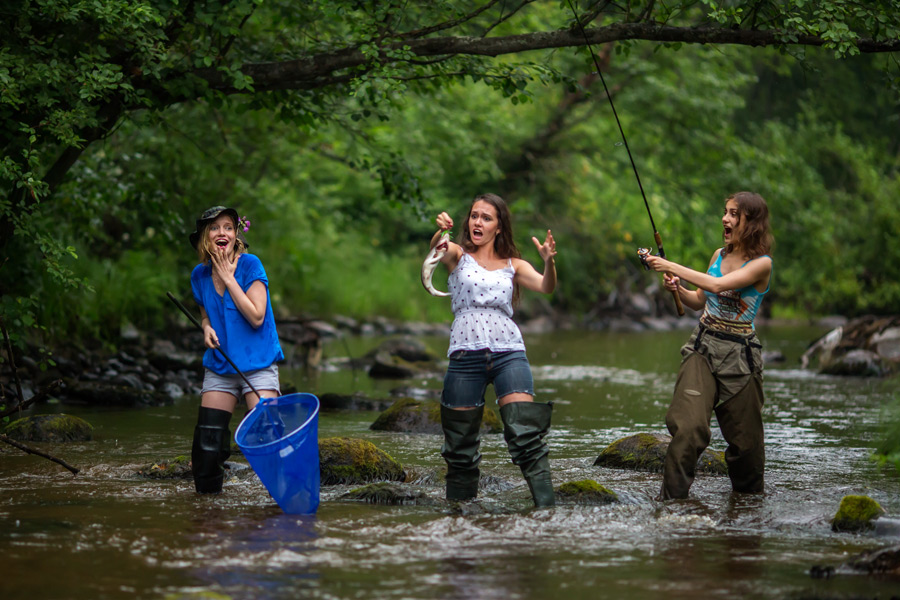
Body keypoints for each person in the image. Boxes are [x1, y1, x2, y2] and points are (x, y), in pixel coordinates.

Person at [430, 193, 558, 507]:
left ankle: (547, 511)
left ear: (498, 227)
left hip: (509, 352)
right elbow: (438, 248)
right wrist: (441, 231)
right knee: (459, 447)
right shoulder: (458, 254)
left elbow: (546, 287)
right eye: (474, 216)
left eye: (486, 218)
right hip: (464, 353)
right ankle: (460, 517)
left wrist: (549, 262)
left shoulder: (514, 264)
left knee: (524, 432)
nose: (478, 222)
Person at [644, 191, 773, 500]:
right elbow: (699, 301)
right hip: (702, 348)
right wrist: (679, 288)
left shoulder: (761, 264)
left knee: (747, 449)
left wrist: (667, 265)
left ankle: (747, 512)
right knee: (687, 429)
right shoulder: (718, 255)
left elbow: (715, 285)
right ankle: (672, 503)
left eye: (733, 214)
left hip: (740, 357)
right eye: (725, 212)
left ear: (751, 222)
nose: (725, 219)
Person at [188, 206, 284, 494]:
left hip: (258, 364)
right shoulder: (199, 275)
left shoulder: (251, 265)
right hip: (220, 365)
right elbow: (206, 314)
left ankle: (279, 506)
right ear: (206, 236)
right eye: (215, 228)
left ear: (235, 235)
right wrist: (206, 327)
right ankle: (209, 514)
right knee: (207, 448)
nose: (222, 233)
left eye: (228, 227)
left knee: (268, 440)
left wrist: (229, 279)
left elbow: (257, 316)